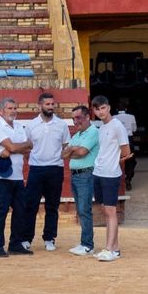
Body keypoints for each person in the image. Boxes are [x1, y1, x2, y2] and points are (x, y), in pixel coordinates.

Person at [14, 91, 71, 252]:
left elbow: (66, 147)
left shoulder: (62, 124)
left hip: (55, 169)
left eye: (53, 104)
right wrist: (33, 161)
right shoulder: (31, 125)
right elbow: (26, 148)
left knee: (52, 206)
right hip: (36, 169)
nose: (51, 107)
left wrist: (59, 160)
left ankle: (49, 238)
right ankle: (26, 238)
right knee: (30, 205)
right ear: (39, 106)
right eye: (47, 104)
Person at [0, 97, 32, 257]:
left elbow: (29, 147)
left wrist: (12, 149)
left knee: (20, 210)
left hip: (17, 176)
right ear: (1, 111)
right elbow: (16, 146)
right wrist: (16, 147)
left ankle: (15, 243)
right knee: (1, 211)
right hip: (0, 177)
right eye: (9, 108)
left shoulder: (19, 126)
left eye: (15, 108)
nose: (13, 111)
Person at [90, 95, 133, 262]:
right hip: (99, 172)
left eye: (103, 108)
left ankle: (109, 248)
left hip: (110, 173)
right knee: (105, 210)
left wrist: (117, 161)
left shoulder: (117, 126)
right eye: (97, 109)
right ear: (93, 110)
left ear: (108, 107)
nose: (100, 112)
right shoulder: (102, 127)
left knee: (111, 211)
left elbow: (126, 150)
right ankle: (113, 248)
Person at [62, 103, 99, 256]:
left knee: (84, 210)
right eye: (73, 119)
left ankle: (87, 244)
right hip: (76, 175)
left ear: (88, 117)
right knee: (81, 210)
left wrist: (72, 150)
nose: (76, 121)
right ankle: (85, 242)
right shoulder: (77, 135)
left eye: (79, 118)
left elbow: (82, 152)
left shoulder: (93, 132)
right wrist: (72, 151)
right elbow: (63, 155)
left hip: (85, 175)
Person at [115, 99, 139, 192]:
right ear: (126, 108)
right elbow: (134, 129)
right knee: (131, 160)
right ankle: (128, 178)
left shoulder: (114, 118)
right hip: (129, 140)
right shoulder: (131, 117)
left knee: (116, 160)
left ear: (117, 109)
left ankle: (117, 180)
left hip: (117, 141)